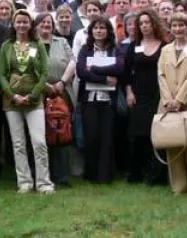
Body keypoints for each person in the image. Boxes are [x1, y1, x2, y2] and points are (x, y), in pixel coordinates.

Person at [157, 12, 187, 197]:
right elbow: (160, 75)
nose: (178, 29)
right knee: (173, 144)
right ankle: (179, 186)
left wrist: (180, 99)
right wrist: (168, 99)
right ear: (170, 28)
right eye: (175, 26)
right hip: (168, 105)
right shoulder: (165, 50)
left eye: (181, 25)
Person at [76, 15, 125, 184]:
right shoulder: (85, 49)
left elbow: (119, 68)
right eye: (96, 28)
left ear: (108, 31)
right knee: (92, 136)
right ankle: (91, 175)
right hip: (89, 100)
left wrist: (95, 68)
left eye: (102, 28)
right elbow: (81, 71)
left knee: (107, 137)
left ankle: (105, 176)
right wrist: (104, 78)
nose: (99, 31)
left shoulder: (115, 49)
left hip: (108, 101)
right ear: (91, 31)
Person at [123, 9, 169, 184]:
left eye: (147, 22)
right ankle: (136, 173)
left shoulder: (165, 46)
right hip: (138, 96)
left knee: (157, 135)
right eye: (141, 23)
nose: (144, 26)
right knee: (137, 135)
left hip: (158, 95)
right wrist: (129, 91)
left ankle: (157, 175)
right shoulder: (134, 46)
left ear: (154, 24)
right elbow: (126, 72)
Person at [33, 12, 76, 186]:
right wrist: (44, 85)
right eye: (42, 22)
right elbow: (28, 67)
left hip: (62, 92)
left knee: (62, 133)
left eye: (49, 22)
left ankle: (62, 176)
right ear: (36, 26)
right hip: (39, 93)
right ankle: (43, 174)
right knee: (41, 135)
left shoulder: (62, 41)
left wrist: (62, 82)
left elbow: (72, 61)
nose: (46, 25)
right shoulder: (31, 45)